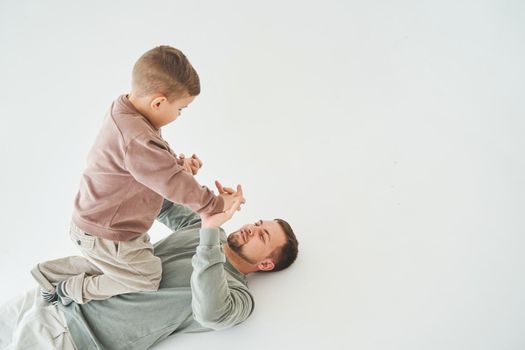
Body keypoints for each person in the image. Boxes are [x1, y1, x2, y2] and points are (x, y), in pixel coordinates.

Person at [30, 45, 244, 306]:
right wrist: (215, 204)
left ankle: (50, 272)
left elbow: (142, 167)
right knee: (146, 277)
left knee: (120, 264)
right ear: (158, 102)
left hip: (105, 225)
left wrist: (178, 165)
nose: (179, 116)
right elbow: (169, 180)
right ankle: (70, 289)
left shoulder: (126, 111)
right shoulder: (137, 136)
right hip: (108, 232)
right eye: (181, 109)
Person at [0, 187, 299, 350]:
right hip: (57, 291)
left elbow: (210, 311)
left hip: (71, 335)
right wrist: (183, 177)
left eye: (262, 235)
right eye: (258, 223)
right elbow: (162, 203)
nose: (251, 228)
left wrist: (209, 231)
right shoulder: (203, 229)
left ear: (266, 263)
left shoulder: (238, 298)